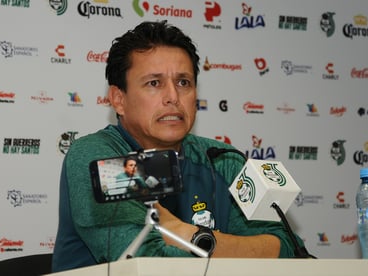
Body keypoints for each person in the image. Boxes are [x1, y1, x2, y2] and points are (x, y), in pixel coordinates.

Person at [52, 20, 305, 272]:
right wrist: (237, 251)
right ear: (118, 99)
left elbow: (288, 250)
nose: (173, 97)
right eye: (154, 83)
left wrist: (184, 232)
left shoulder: (223, 159)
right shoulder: (94, 157)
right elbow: (149, 260)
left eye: (183, 82)